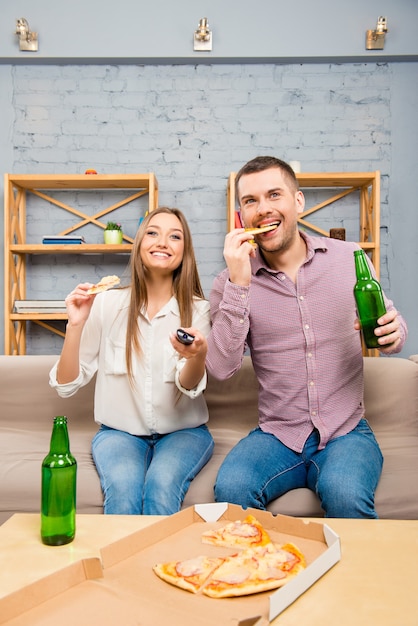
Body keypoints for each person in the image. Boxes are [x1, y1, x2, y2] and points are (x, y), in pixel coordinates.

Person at [206, 156, 407, 518]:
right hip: (277, 435)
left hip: (346, 432)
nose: (263, 209)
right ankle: (266, 573)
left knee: (344, 493)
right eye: (250, 201)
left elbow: (389, 322)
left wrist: (394, 332)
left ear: (297, 201)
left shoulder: (349, 258)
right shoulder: (230, 281)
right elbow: (220, 369)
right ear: (241, 215)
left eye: (274, 195)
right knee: (230, 489)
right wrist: (239, 284)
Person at [50, 207, 214, 515]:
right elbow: (66, 384)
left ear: (184, 251)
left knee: (161, 485)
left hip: (185, 433)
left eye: (174, 236)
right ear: (139, 244)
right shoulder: (106, 303)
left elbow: (188, 383)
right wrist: (75, 325)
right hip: (118, 433)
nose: (163, 241)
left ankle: (161, 565)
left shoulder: (199, 310)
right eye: (153, 233)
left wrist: (198, 356)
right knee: (124, 491)